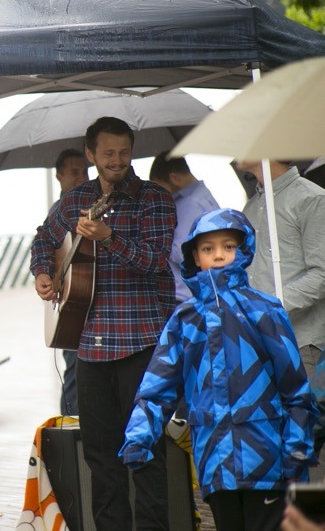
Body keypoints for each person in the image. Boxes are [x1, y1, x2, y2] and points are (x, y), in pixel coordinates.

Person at [120, 208, 318, 531]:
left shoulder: (265, 310)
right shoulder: (185, 320)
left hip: (268, 460)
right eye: (208, 249)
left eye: (228, 246)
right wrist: (139, 435)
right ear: (195, 257)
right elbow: (158, 386)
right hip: (215, 461)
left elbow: (295, 389)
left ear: (244, 250)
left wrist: (296, 448)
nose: (219, 255)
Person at [30, 116, 176, 531]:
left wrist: (109, 237)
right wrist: (44, 272)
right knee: (99, 455)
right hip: (89, 345)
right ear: (90, 155)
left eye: (124, 152)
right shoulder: (76, 198)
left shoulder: (154, 199)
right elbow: (43, 238)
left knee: (146, 449)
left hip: (140, 341)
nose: (117, 160)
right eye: (108, 153)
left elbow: (154, 260)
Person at [235, 161, 325, 394]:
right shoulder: (251, 208)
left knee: (304, 426)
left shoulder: (311, 198)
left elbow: (322, 274)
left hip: (300, 342)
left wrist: (268, 306)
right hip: (260, 344)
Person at [48, 148, 89, 416]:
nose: (81, 178)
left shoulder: (91, 206)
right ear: (59, 176)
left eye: (85, 171)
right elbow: (45, 251)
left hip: (87, 299)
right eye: (74, 172)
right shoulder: (58, 212)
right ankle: (70, 427)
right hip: (72, 304)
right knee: (74, 370)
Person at [149, 151, 220, 303]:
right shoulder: (204, 196)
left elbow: (183, 253)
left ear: (174, 177)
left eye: (160, 187)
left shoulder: (188, 204)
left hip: (185, 296)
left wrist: (157, 241)